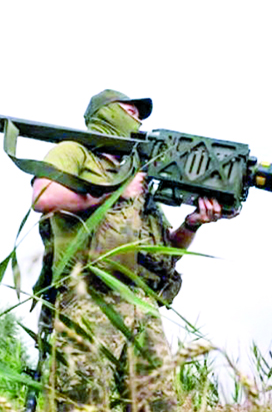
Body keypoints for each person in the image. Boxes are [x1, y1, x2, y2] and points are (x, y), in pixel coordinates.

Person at [31, 89, 233, 412]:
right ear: (104, 114)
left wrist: (191, 224)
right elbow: (42, 196)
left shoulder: (139, 176)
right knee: (82, 404)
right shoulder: (76, 152)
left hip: (142, 308)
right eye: (129, 111)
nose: (137, 119)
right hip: (89, 302)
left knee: (159, 406)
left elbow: (163, 253)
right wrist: (111, 192)